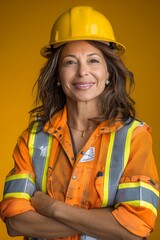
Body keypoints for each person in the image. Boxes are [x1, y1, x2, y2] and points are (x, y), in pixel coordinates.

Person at [0, 5, 159, 240]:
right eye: (70, 62)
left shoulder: (134, 136)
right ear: (57, 76)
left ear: (108, 74)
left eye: (93, 61)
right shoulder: (32, 138)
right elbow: (16, 222)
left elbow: (136, 227)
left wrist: (50, 207)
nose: (83, 72)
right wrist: (106, 221)